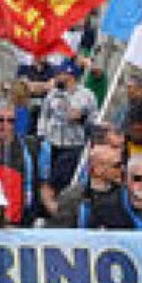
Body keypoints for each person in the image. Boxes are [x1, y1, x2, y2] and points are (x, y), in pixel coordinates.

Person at [37, 59, 97, 191]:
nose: (56, 75)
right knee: (47, 180)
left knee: (66, 182)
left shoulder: (87, 96)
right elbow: (44, 115)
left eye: (59, 73)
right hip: (52, 145)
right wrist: (41, 136)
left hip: (73, 146)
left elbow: (94, 122)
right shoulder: (52, 94)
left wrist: (81, 118)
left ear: (69, 75)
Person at [51, 144, 124, 227]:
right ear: (97, 169)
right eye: (116, 166)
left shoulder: (125, 195)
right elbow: (62, 231)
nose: (122, 169)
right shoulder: (73, 197)